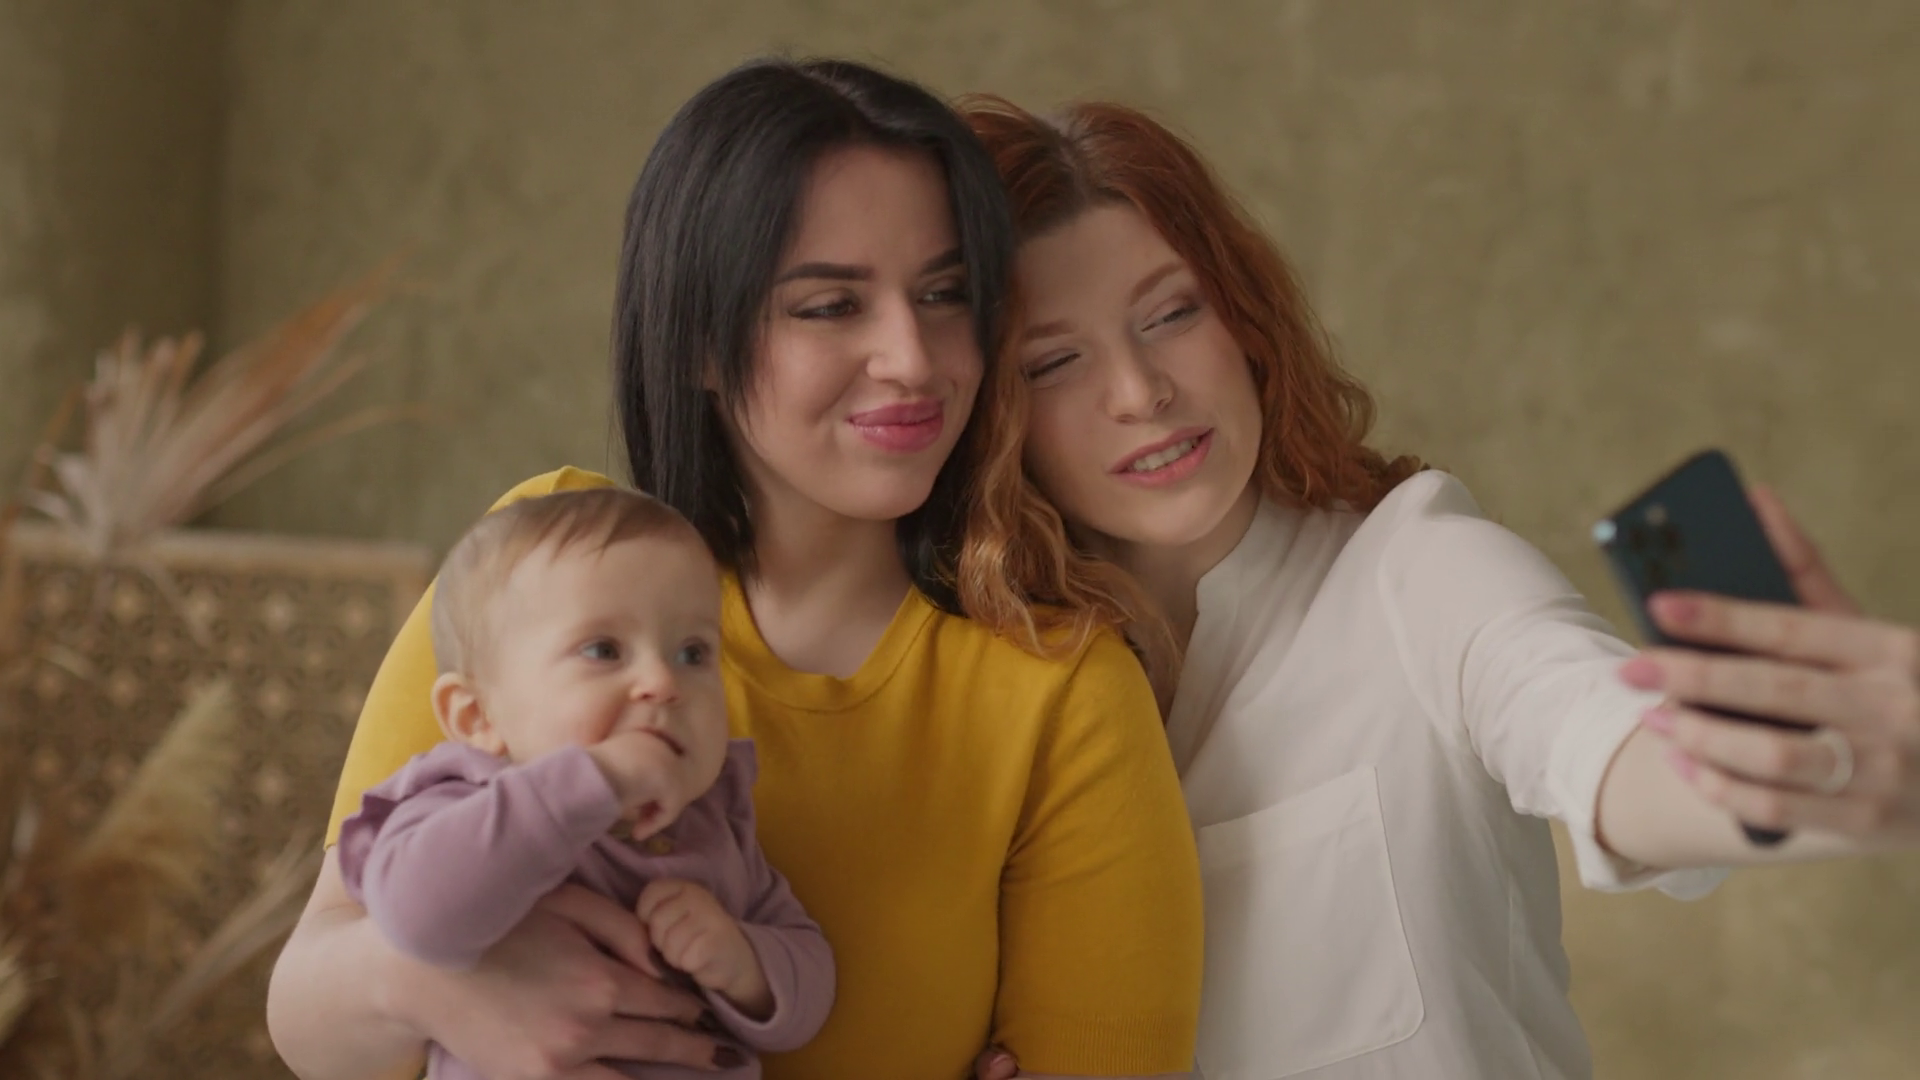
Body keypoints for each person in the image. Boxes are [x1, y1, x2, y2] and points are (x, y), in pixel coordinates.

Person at [266, 59, 1204, 1080]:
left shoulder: (1061, 690)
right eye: (831, 305)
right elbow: (313, 1018)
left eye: (945, 294)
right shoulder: (541, 563)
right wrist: (439, 990)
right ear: (700, 344)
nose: (913, 357)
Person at [957, 95, 1920, 1080]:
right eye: (1054, 362)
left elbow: (1598, 737)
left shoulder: (1419, 573)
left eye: (1172, 313)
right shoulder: (988, 700)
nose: (1139, 391)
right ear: (989, 416)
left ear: (1244, 320)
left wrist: (1800, 761)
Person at [337, 487, 835, 1078]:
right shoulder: (464, 802)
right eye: (603, 650)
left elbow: (811, 978)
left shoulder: (713, 822)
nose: (662, 682)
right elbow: (416, 921)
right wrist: (597, 779)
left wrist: (744, 961)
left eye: (693, 653)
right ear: (477, 717)